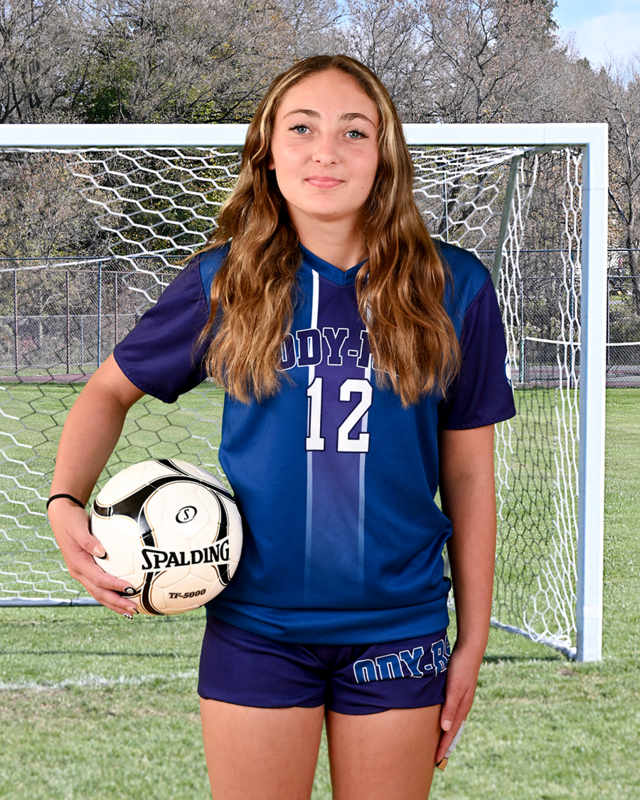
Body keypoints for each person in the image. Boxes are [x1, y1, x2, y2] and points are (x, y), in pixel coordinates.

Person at [48, 55, 516, 799]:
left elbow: (468, 475)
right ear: (268, 149)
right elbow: (108, 391)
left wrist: (473, 638)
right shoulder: (225, 281)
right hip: (257, 625)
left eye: (353, 131)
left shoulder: (453, 286)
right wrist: (65, 499)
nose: (325, 149)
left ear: (385, 155)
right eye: (302, 127)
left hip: (398, 630)